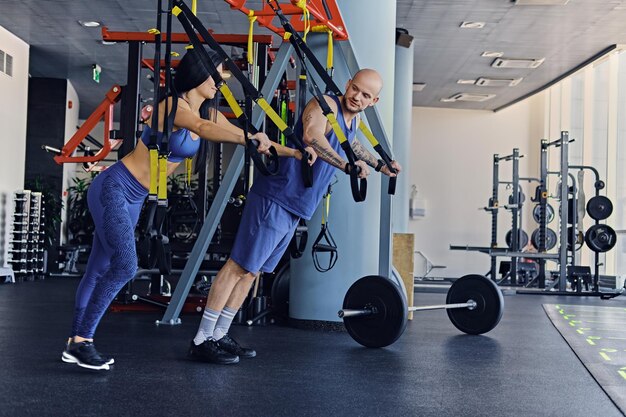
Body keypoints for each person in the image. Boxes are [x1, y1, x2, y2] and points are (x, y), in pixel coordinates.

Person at [62, 47, 315, 371]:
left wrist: (290, 153)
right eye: (216, 75)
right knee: (125, 265)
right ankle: (83, 341)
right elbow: (203, 130)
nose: (218, 82)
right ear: (197, 73)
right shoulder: (172, 105)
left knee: (99, 267)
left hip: (137, 196)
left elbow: (237, 131)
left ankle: (74, 342)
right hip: (114, 186)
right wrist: (248, 139)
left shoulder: (208, 111)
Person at [188, 68, 402, 365]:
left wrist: (380, 165)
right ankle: (201, 338)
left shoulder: (351, 121)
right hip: (276, 198)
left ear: (373, 100)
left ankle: (220, 333)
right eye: (355, 89)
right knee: (238, 266)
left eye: (366, 95)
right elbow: (312, 136)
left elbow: (350, 144)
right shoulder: (323, 105)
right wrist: (345, 166)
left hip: (296, 206)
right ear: (347, 83)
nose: (357, 97)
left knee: (254, 272)